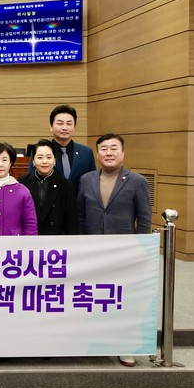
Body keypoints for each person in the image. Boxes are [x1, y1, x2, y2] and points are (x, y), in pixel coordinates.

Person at [77, 133, 152, 367]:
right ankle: (95, 341)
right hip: (93, 250)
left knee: (123, 300)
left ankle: (125, 346)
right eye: (104, 149)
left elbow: (144, 218)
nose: (109, 153)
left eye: (113, 148)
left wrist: (141, 249)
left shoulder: (137, 181)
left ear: (123, 152)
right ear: (97, 153)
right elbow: (81, 215)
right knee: (94, 298)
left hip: (124, 252)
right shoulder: (86, 179)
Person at [30, 104, 95, 193]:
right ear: (51, 126)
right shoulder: (40, 151)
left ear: (74, 127)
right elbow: (32, 181)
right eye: (60, 123)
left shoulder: (86, 152)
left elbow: (92, 182)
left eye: (69, 124)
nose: (64, 128)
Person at [19, 139, 78, 235]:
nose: (44, 161)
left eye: (49, 157)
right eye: (40, 157)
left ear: (55, 161)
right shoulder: (23, 182)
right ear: (33, 161)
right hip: (31, 238)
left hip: (56, 239)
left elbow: (72, 221)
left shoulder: (66, 185)